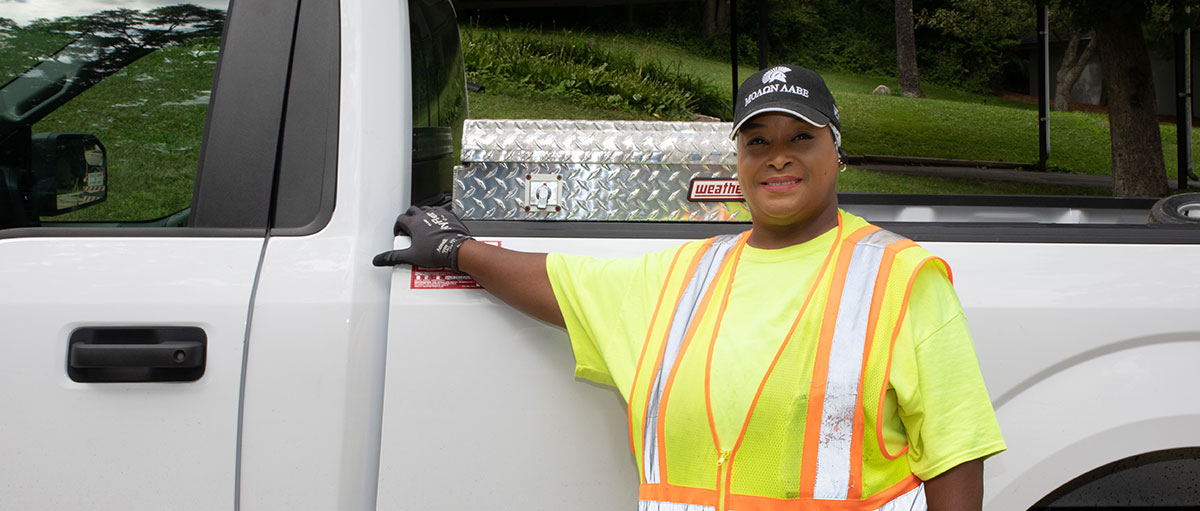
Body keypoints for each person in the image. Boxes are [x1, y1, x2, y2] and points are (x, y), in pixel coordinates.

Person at [374, 64, 1005, 511]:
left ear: (836, 154)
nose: (778, 156)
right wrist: (460, 250)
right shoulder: (685, 276)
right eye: (758, 142)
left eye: (801, 139)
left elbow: (955, 450)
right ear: (739, 162)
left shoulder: (898, 275)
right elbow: (560, 283)